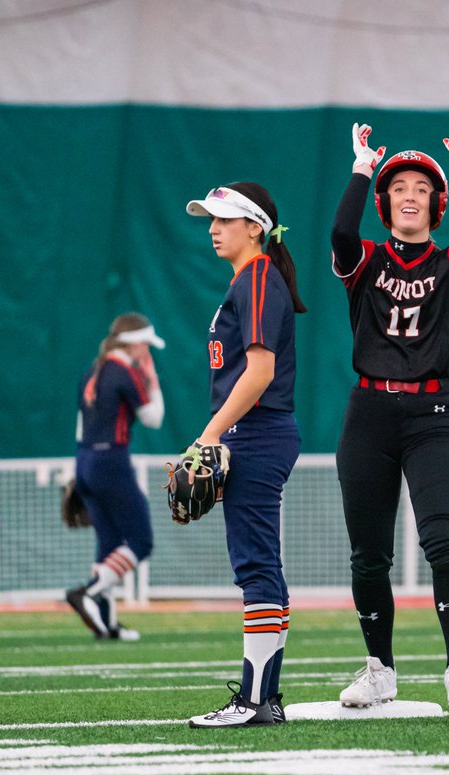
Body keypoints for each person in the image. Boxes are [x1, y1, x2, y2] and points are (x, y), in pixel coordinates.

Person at [330, 119, 449, 709]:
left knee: (445, 543)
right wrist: (361, 168)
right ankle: (379, 667)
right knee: (369, 553)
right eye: (399, 186)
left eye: (421, 189)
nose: (410, 195)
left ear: (436, 204)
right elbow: (338, 230)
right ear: (385, 203)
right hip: (369, 415)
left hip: (433, 412)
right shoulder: (365, 261)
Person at [183, 182, 305, 728]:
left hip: (255, 432)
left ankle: (255, 701)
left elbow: (260, 371)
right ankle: (266, 698)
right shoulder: (252, 280)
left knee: (255, 565)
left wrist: (209, 436)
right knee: (264, 565)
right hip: (261, 431)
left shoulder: (257, 278)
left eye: (224, 219)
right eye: (209, 219)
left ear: (254, 227)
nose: (213, 228)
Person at [66, 312, 166, 641]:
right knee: (140, 541)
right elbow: (153, 418)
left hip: (84, 461)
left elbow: (82, 427)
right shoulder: (125, 371)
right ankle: (90, 592)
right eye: (146, 347)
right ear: (136, 344)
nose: (147, 353)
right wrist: (152, 377)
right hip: (112, 461)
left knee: (108, 542)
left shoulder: (91, 372)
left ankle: (106, 624)